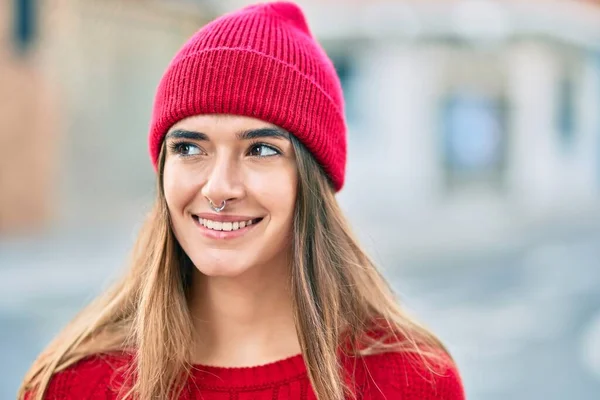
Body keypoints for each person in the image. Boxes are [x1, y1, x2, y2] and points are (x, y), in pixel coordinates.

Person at [19, 2, 465, 399]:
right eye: (189, 148)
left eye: (261, 149)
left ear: (312, 180)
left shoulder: (411, 381)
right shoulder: (74, 382)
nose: (218, 187)